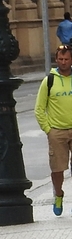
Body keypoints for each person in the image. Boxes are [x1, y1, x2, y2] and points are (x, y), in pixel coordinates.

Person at [35, 44, 72, 216]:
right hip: (57, 131)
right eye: (61, 59)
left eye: (67, 59)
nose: (63, 62)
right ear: (56, 60)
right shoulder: (49, 81)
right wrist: (48, 129)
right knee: (58, 169)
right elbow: (39, 109)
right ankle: (58, 194)